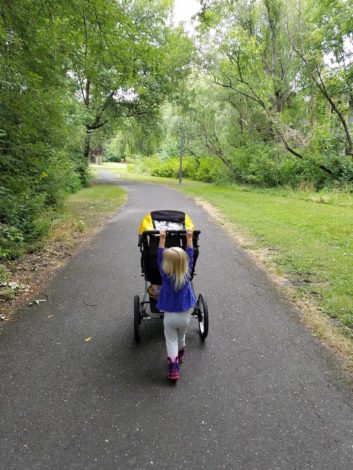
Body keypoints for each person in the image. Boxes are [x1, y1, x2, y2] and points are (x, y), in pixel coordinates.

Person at [157, 229, 196, 381]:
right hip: (185, 315)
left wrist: (162, 238)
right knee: (181, 336)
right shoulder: (187, 274)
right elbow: (190, 255)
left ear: (166, 264)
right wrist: (189, 238)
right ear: (185, 264)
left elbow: (160, 256)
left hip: (170, 317)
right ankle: (181, 355)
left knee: (171, 340)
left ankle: (174, 369)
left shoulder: (164, 275)